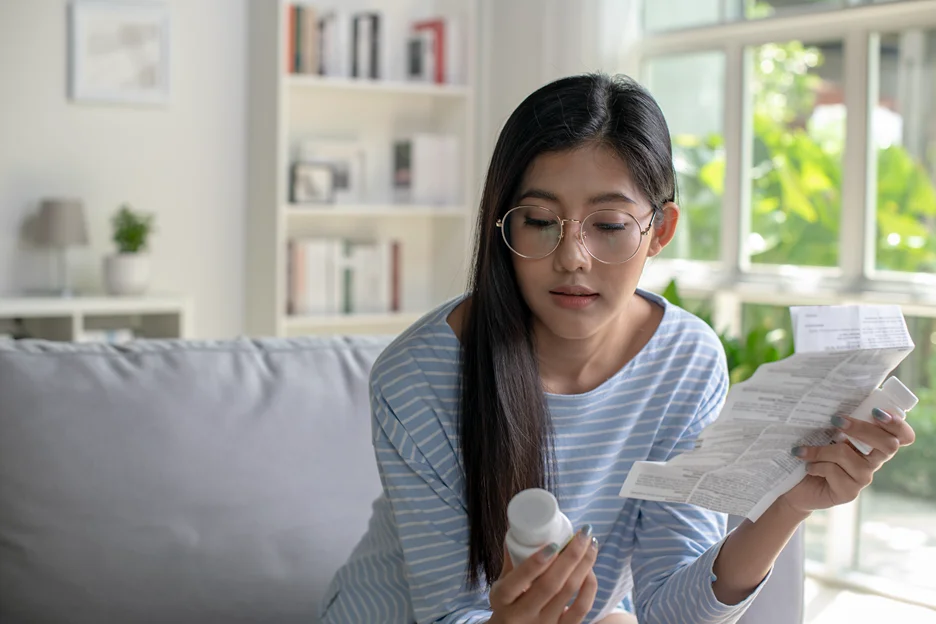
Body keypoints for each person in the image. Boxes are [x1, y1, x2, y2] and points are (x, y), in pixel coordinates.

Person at [319, 73, 917, 624]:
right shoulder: (418, 377)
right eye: (538, 220)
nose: (572, 257)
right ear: (503, 226)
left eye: (607, 225)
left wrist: (788, 505)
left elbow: (669, 607)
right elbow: (452, 611)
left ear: (659, 231)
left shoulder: (685, 361)